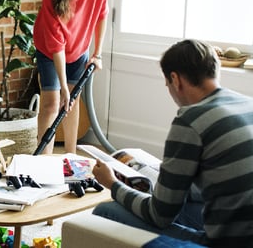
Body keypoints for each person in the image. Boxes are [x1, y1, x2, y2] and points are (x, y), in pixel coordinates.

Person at [92, 39, 253, 247]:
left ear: (176, 80)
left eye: (167, 84)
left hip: (229, 242)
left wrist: (112, 184)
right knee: (174, 195)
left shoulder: (191, 120)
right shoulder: (246, 103)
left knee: (105, 212)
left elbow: (159, 216)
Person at [33, 0, 108, 154]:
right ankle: (43, 162)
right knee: (52, 102)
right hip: (50, 48)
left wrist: (98, 54)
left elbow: (101, 14)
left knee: (72, 102)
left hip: (79, 46)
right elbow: (56, 41)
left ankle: (71, 156)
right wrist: (63, 86)